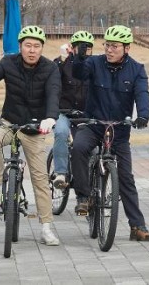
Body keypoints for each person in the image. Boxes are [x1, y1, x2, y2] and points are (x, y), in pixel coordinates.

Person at [71, 25, 149, 242]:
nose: (109, 50)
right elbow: (79, 74)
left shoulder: (137, 69)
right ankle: (83, 197)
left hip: (119, 130)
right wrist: (79, 58)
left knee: (126, 177)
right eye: (107, 45)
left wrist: (143, 116)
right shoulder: (94, 62)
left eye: (115, 46)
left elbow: (142, 94)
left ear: (126, 48)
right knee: (79, 147)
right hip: (93, 124)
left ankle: (137, 226)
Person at [0, 26, 61, 246]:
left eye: (36, 46)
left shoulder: (51, 68)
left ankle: (46, 227)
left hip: (35, 128)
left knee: (40, 178)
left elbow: (54, 94)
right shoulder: (8, 62)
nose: (32, 50)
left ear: (42, 48)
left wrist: (50, 118)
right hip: (9, 122)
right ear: (21, 46)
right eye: (28, 45)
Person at [51, 30, 94, 189]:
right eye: (82, 47)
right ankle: (60, 173)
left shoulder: (94, 65)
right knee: (61, 132)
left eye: (88, 48)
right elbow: (52, 77)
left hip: (85, 114)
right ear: (73, 48)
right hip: (64, 112)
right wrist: (62, 59)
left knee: (84, 144)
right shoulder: (62, 62)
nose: (85, 51)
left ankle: (88, 176)